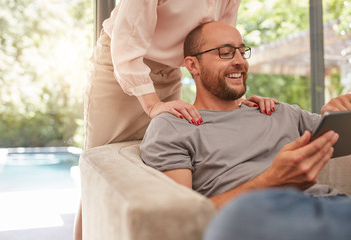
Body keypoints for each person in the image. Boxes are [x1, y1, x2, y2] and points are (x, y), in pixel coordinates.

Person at [76, 1, 279, 239]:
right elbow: (126, 43)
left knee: (157, 158)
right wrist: (152, 104)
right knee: (103, 172)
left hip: (170, 70)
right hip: (120, 62)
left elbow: (220, 43)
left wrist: (235, 97)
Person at [140, 21, 351, 239]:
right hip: (260, 219)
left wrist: (340, 111)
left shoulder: (277, 110)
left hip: (335, 207)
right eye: (226, 53)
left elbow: (339, 137)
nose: (240, 61)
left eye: (242, 51)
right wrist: (272, 180)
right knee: (242, 218)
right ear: (193, 65)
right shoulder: (173, 125)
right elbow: (183, 218)